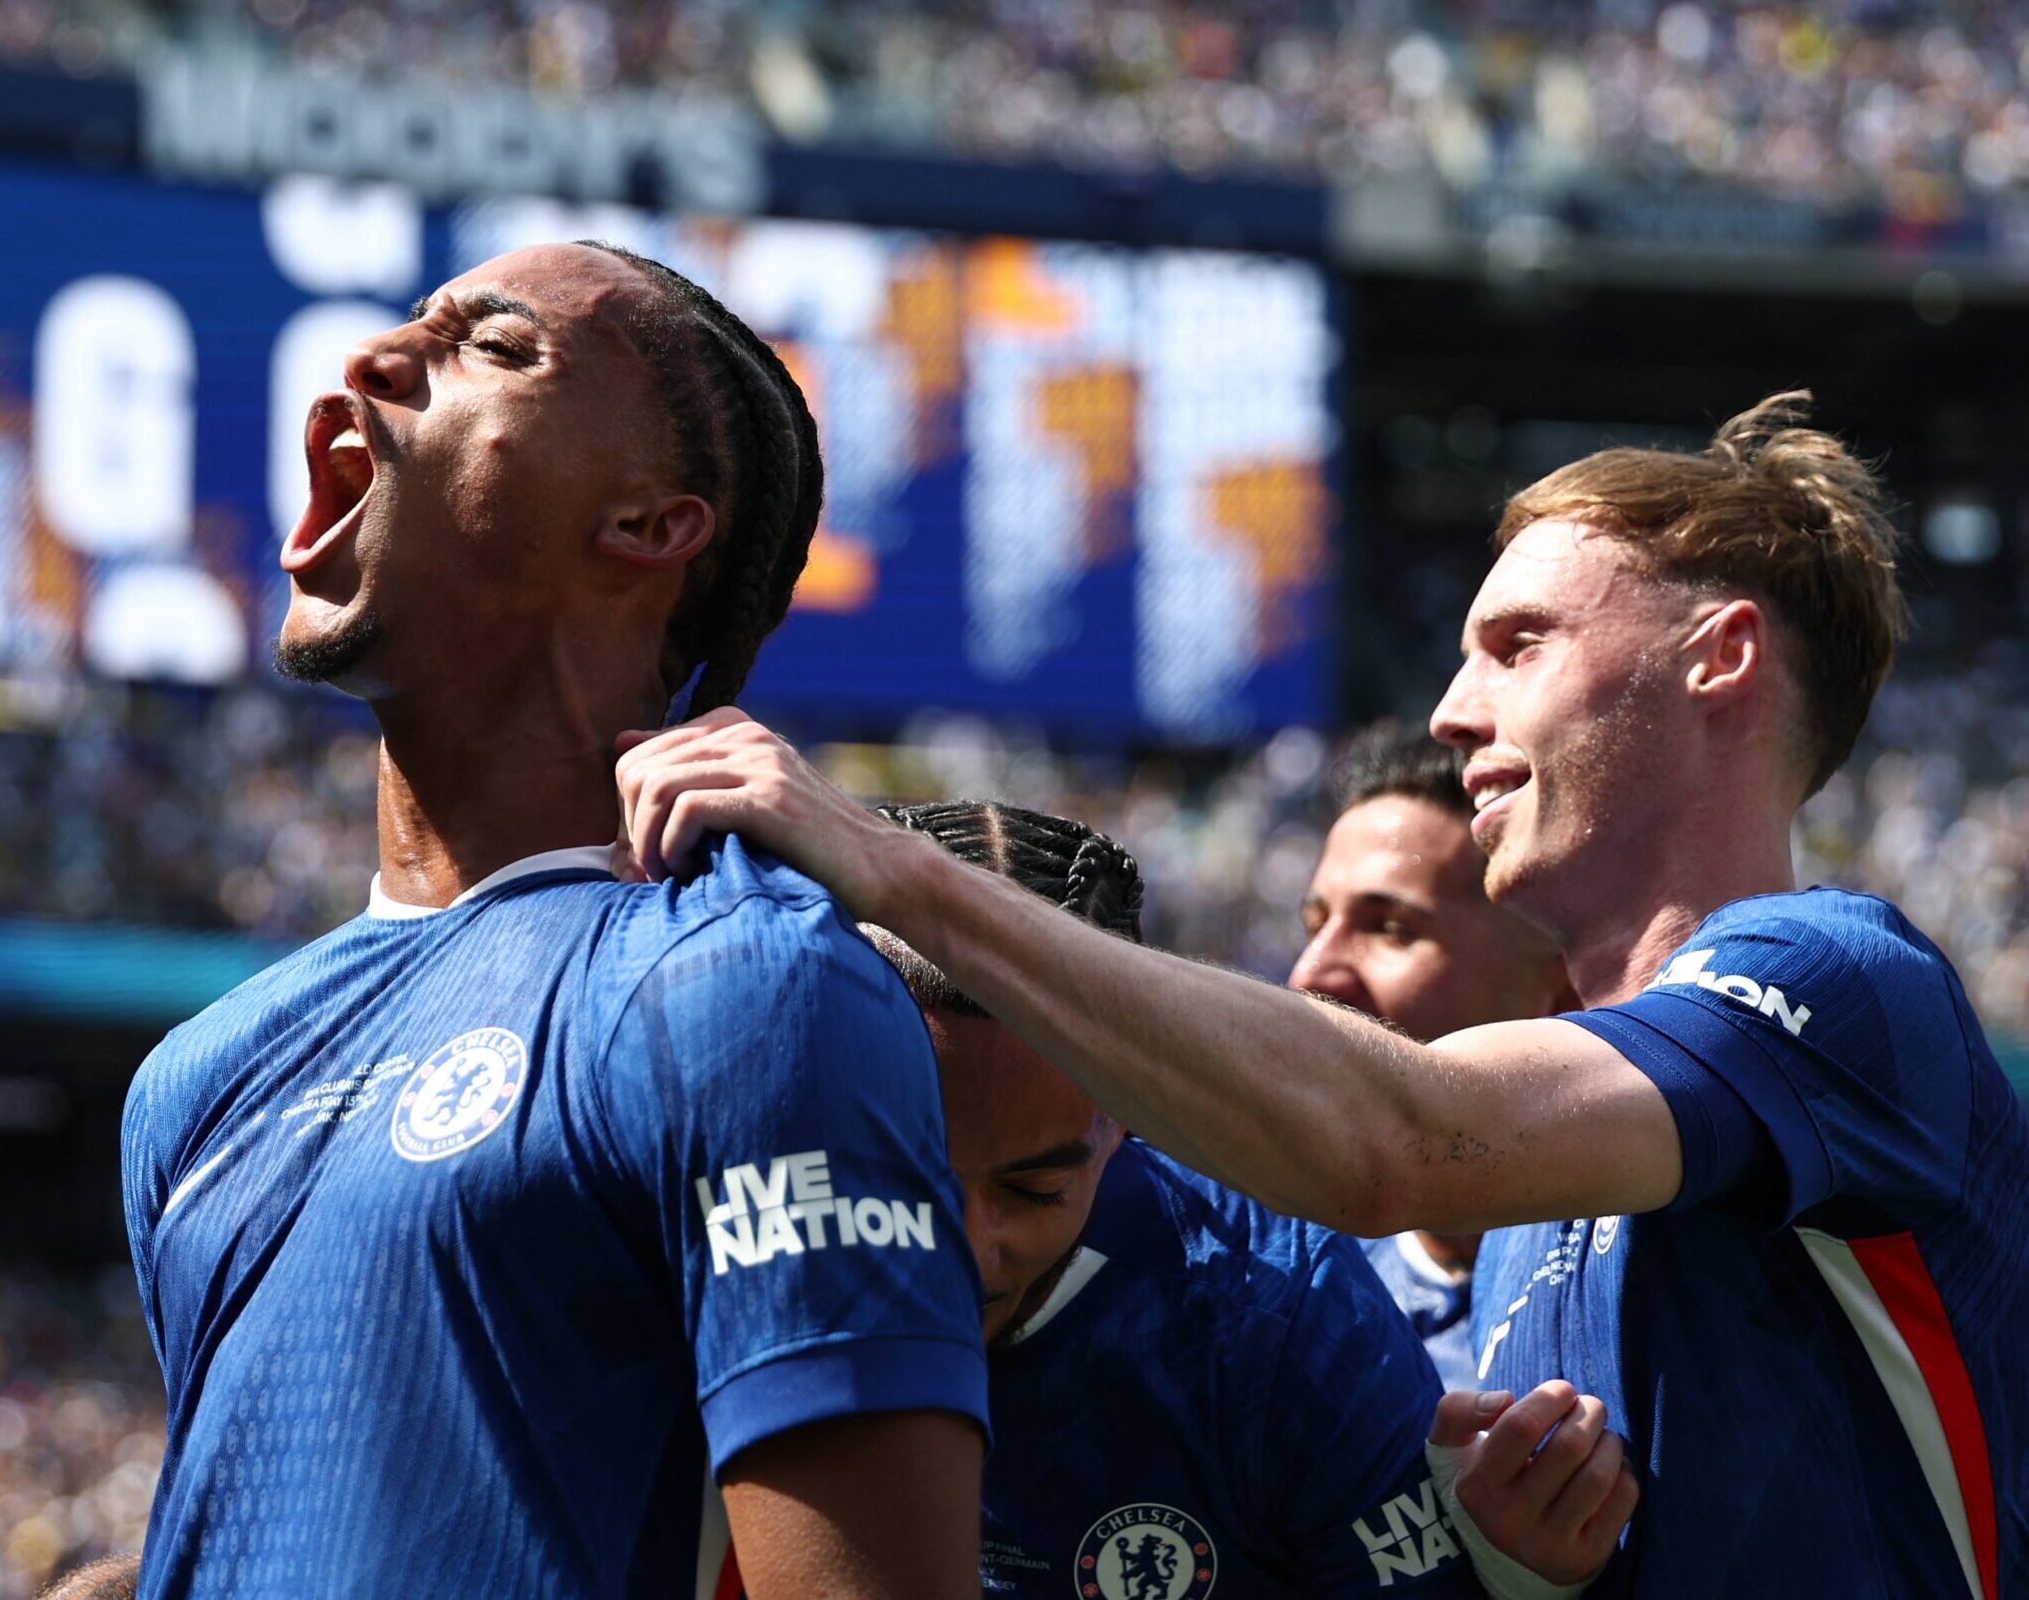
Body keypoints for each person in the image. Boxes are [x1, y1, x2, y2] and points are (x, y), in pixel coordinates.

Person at [615, 392, 2029, 1595]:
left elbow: (1388, 1140)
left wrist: (893, 871)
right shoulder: (1530, 1215)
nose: (1450, 712)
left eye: (1519, 641)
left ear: (1717, 657)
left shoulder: (1838, 976)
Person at [109, 243, 989, 1599]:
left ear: (648, 523)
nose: (372, 358)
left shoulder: (749, 993)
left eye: (491, 347)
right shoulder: (196, 1083)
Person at [872, 799, 1630, 1598]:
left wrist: (1525, 1587)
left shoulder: (1289, 1324)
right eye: (907, 1174)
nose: (963, 1238)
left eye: (1034, 1189)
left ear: (1129, 1104)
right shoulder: (740, 1230)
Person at [1291, 723, 1575, 1389]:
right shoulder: (1272, 1283)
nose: (1309, 974)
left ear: (1559, 988)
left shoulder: (1661, 1274)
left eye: (1390, 929)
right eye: (1313, 926)